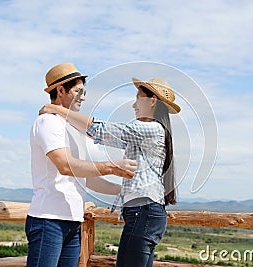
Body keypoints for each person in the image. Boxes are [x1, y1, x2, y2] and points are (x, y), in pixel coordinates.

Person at [40, 77, 181, 267]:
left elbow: (102, 130)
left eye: (138, 98)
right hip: (146, 213)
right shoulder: (146, 134)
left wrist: (58, 110)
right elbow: (103, 135)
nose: (134, 104)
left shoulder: (151, 129)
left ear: (152, 101)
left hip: (143, 213)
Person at [27, 63, 137, 267]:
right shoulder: (47, 122)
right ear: (60, 90)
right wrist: (112, 167)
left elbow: (87, 177)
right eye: (78, 91)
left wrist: (124, 191)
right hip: (48, 220)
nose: (83, 97)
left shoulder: (72, 127)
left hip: (72, 222)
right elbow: (65, 166)